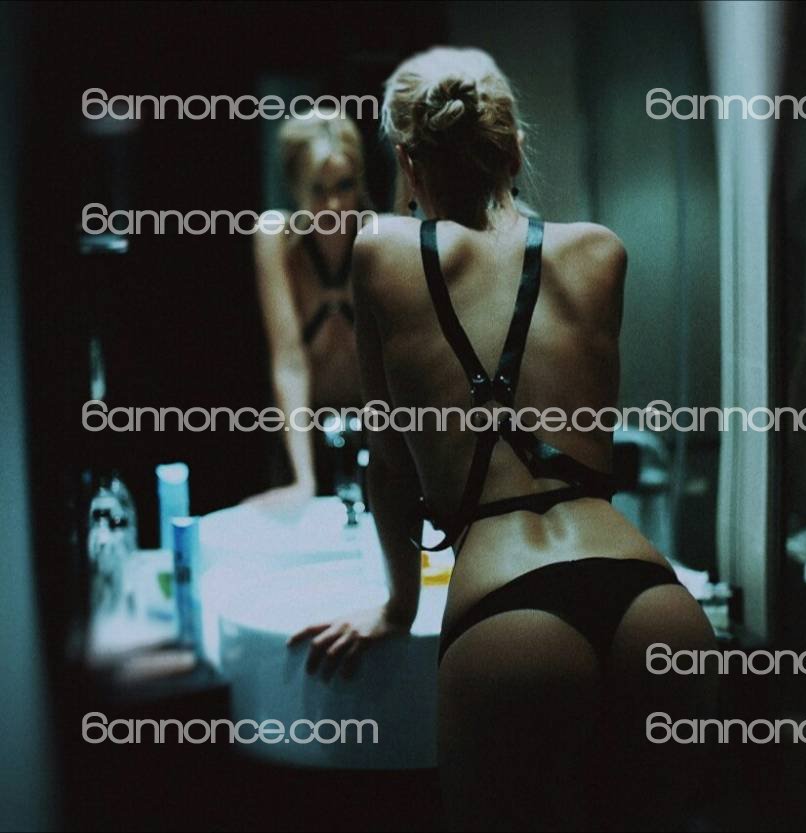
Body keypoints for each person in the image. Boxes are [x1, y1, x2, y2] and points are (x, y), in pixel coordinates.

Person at [289, 47, 717, 831]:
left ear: (408, 162)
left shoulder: (381, 252)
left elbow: (390, 464)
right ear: (515, 150)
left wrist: (398, 606)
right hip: (654, 606)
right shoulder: (601, 252)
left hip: (509, 619)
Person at [246, 110, 371, 508]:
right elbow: (289, 361)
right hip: (302, 435)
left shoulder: (378, 238)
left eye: (345, 186)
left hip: (376, 432)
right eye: (318, 190)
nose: (334, 204)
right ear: (296, 187)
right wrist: (304, 480)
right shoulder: (278, 240)